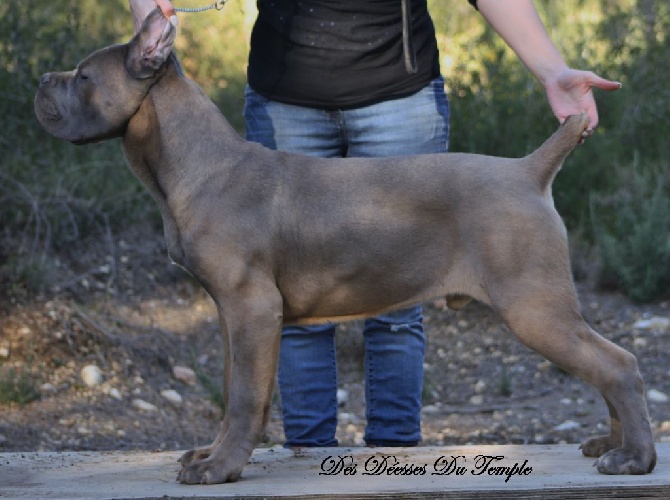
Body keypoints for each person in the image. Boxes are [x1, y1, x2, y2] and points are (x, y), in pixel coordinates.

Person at [130, 0, 620, 449]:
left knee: (398, 312)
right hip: (285, 99)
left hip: (397, 98)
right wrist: (147, 28)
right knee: (276, 303)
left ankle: (395, 462)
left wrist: (553, 70)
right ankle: (307, 463)